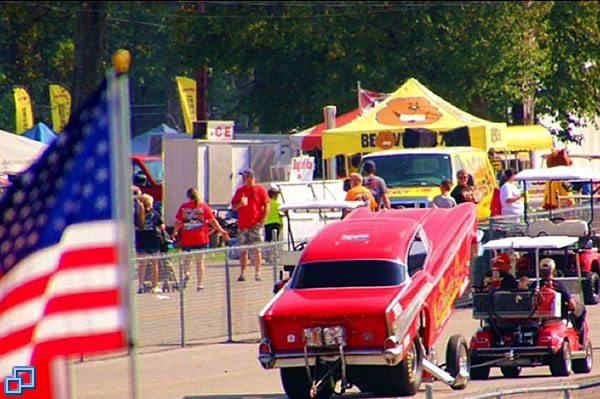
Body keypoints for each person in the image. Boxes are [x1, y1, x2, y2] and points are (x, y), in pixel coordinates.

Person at [172, 188, 230, 291]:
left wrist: (175, 232)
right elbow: (212, 221)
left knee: (187, 260)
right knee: (200, 261)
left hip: (188, 238)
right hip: (201, 238)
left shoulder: (184, 207)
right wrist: (221, 231)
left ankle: (187, 273)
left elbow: (179, 221)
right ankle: (200, 284)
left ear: (188, 196)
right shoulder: (203, 207)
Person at [231, 168, 270, 282]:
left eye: (245, 176)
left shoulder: (260, 190)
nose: (243, 179)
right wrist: (240, 204)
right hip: (243, 224)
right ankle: (243, 272)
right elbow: (233, 206)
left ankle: (258, 272)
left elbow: (266, 205)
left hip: (255, 224)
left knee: (256, 249)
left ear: (251, 177)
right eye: (242, 176)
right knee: (243, 250)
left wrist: (262, 220)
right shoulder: (240, 191)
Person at [538, 258, 586, 342]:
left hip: (540, 318)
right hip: (559, 317)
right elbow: (572, 304)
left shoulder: (535, 285)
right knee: (582, 309)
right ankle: (580, 338)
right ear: (553, 270)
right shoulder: (559, 285)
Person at [136, 194, 165, 294]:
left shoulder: (137, 214)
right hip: (153, 240)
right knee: (154, 264)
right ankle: (155, 285)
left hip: (142, 240)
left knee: (142, 265)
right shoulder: (154, 213)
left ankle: (141, 285)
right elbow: (162, 226)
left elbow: (134, 227)